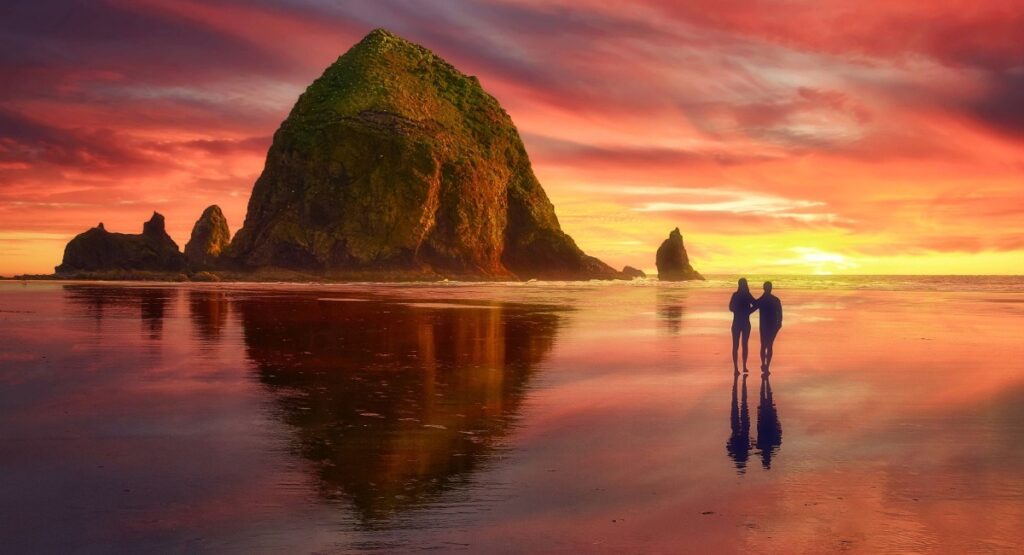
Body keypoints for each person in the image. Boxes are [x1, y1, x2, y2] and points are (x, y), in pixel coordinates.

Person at [728, 278, 757, 373]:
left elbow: (731, 308)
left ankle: (737, 368)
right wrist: (748, 312)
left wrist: (741, 311)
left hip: (737, 322)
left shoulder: (736, 295)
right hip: (744, 322)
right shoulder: (747, 295)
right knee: (744, 345)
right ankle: (742, 367)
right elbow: (756, 305)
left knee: (736, 345)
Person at [757, 281, 783, 371]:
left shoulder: (761, 299)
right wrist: (779, 323)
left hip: (764, 325)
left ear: (764, 288)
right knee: (769, 345)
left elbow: (752, 308)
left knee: (764, 345)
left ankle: (764, 364)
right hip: (772, 325)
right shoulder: (775, 299)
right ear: (770, 288)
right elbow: (780, 313)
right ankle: (766, 366)